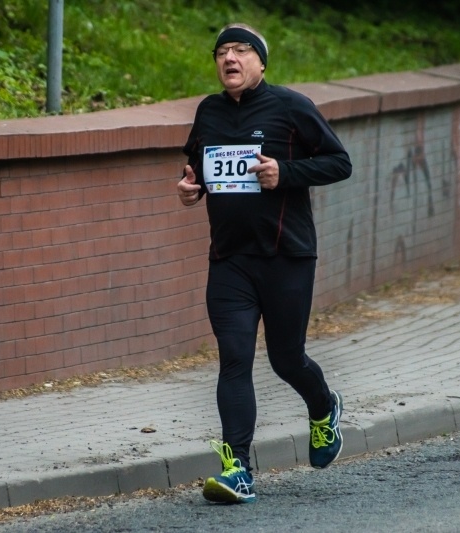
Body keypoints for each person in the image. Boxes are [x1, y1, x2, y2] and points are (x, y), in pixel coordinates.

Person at [176, 22, 352, 504]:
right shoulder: (208, 111)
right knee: (234, 359)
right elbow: (199, 168)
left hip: (286, 257)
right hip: (229, 260)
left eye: (240, 50)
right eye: (221, 52)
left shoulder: (291, 107)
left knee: (285, 358)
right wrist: (191, 188)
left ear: (260, 61)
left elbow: (340, 162)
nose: (229, 58)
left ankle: (323, 408)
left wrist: (286, 172)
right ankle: (239, 471)